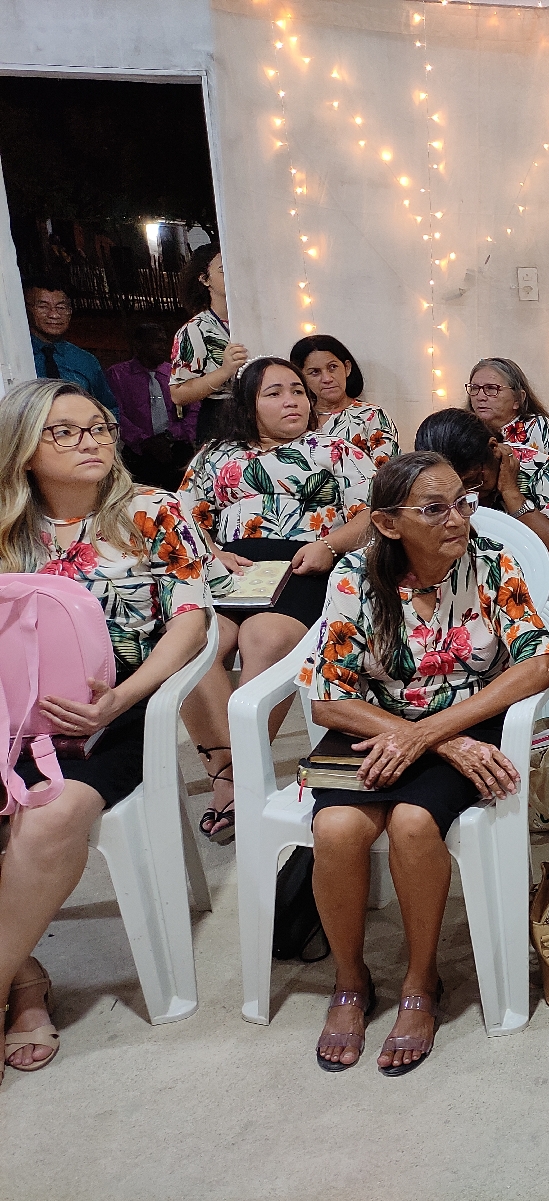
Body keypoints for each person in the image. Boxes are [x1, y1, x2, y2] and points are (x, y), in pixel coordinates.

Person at [295, 452, 549, 1074]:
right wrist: (431, 740)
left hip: (466, 722)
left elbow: (538, 664)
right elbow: (329, 700)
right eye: (435, 508)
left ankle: (420, 981)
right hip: (377, 726)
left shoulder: (491, 562)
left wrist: (438, 733)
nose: (458, 518)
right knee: (335, 828)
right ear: (388, 523)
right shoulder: (355, 576)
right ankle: (350, 981)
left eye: (463, 502)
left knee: (414, 823)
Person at [0, 379, 212, 1081]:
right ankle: (24, 977)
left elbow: (191, 620)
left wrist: (119, 698)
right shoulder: (6, 526)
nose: (90, 441)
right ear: (24, 448)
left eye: (98, 427)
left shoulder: (152, 511)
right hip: (11, 716)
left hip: (116, 715)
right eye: (64, 431)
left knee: (52, 814)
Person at [179, 357, 376, 843]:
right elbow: (181, 518)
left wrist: (330, 546)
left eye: (297, 391)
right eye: (274, 393)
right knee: (194, 643)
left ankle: (238, 778)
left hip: (303, 564)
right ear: (248, 404)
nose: (292, 400)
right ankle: (231, 776)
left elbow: (373, 514)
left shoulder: (336, 449)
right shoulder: (214, 456)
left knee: (264, 636)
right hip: (229, 568)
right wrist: (212, 552)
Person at [414, 408, 549, 575]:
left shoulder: (536, 467)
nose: (469, 492)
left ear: (493, 447)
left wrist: (512, 494)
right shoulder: (424, 482)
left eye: (474, 479)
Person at [463, 356, 549, 513]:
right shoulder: (464, 433)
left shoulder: (539, 427)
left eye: (491, 389)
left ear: (518, 399)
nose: (480, 396)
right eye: (474, 388)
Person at [169, 244, 249, 445]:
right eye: (223, 269)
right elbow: (178, 394)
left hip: (263, 412)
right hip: (221, 419)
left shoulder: (257, 321)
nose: (232, 274)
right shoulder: (195, 329)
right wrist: (225, 371)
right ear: (205, 279)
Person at [107, 322, 197, 490]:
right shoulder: (118, 374)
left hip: (176, 447)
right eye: (156, 341)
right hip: (139, 452)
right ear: (138, 345)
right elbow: (115, 412)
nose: (163, 347)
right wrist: (145, 441)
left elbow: (194, 409)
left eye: (164, 341)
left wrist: (170, 435)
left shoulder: (176, 373)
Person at [290, 334, 399, 467]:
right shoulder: (295, 417)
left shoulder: (371, 416)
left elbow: (389, 473)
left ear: (347, 368)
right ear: (300, 377)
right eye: (315, 372)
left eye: (332, 367)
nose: (327, 378)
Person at [23, 276, 117, 415]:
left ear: (70, 311)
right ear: (25, 309)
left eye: (61, 307)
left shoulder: (85, 361)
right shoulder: (15, 357)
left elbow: (108, 409)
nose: (54, 315)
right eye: (43, 306)